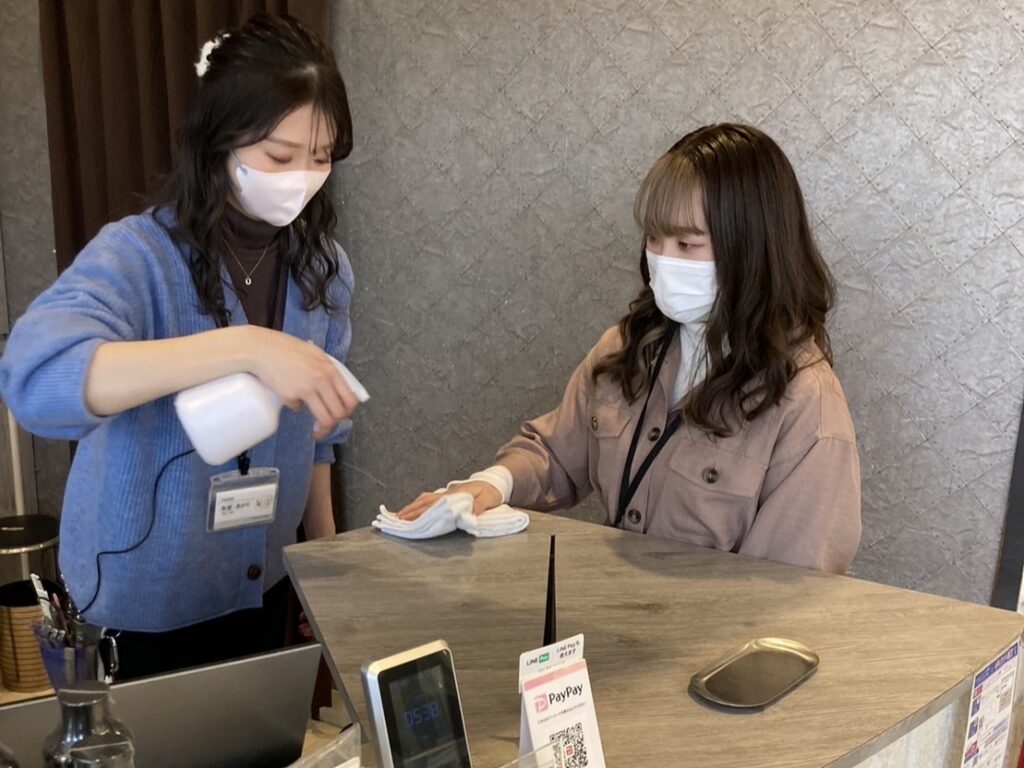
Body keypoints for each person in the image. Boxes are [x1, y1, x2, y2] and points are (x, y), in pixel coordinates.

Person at [0, 14, 359, 677]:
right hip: (140, 599)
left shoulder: (322, 270)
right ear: (218, 141)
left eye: (322, 156)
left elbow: (318, 438)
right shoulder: (138, 256)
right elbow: (37, 380)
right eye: (280, 157)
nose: (304, 177)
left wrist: (325, 563)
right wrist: (246, 346)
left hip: (263, 584)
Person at [399, 123, 861, 574]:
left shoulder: (807, 405)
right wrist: (490, 484)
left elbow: (788, 592)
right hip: (611, 611)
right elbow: (558, 454)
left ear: (752, 249)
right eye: (654, 238)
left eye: (687, 244)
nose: (663, 260)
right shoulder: (627, 346)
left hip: (714, 627)